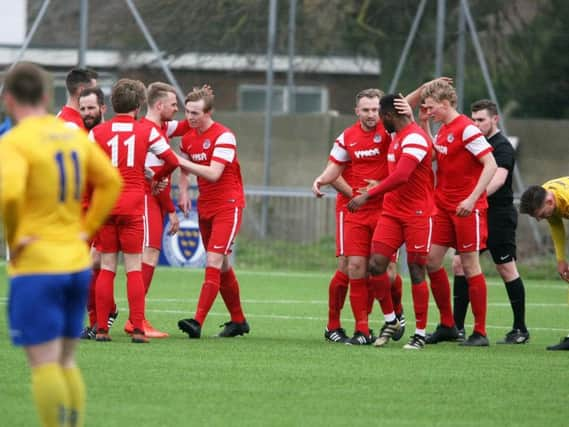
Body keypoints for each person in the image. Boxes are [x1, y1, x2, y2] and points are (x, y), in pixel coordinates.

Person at [1, 62, 121, 427]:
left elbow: (8, 195)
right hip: (75, 261)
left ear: (8, 100)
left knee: (44, 365)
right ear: (45, 96)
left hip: (38, 264)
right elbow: (111, 182)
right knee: (67, 361)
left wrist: (15, 236)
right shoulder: (71, 135)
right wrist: (86, 230)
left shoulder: (15, 141)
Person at [89, 78, 181, 343]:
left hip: (107, 204)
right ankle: (138, 328)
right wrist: (157, 176)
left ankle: (102, 329)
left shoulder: (98, 132)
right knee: (133, 268)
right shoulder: (146, 131)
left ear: (112, 104)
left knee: (107, 267)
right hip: (133, 205)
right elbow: (172, 160)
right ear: (140, 104)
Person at [312, 88, 401, 345]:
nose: (371, 114)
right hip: (352, 207)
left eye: (375, 110)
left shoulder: (392, 131)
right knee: (350, 267)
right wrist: (354, 195)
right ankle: (343, 325)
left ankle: (394, 315)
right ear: (357, 111)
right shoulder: (347, 138)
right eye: (366, 110)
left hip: (385, 208)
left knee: (388, 271)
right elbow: (333, 172)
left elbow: (404, 105)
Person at [348, 94, 435, 349]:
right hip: (392, 212)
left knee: (417, 270)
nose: (377, 122)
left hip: (417, 214)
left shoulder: (416, 139)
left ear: (388, 116)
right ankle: (392, 320)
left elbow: (402, 176)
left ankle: (419, 333)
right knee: (376, 265)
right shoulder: (397, 137)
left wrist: (368, 195)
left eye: (380, 116)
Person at [421, 80, 497, 346]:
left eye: (431, 108)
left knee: (469, 264)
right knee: (431, 261)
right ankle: (448, 324)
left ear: (445, 104)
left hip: (467, 209)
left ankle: (480, 332)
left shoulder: (467, 129)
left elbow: (491, 164)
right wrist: (425, 124)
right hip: (443, 206)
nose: (428, 111)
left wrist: (472, 198)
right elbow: (432, 155)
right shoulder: (443, 129)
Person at [451, 99, 529, 344]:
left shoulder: (502, 146)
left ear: (495, 119)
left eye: (481, 119)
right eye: (473, 119)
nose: (476, 124)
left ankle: (519, 330)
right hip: (475, 213)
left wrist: (472, 197)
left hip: (498, 216)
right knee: (459, 264)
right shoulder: (473, 142)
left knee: (506, 269)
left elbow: (497, 179)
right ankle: (457, 327)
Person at [177, 85, 249, 339]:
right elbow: (185, 170)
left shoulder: (224, 136)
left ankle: (197, 322)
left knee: (213, 261)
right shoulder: (187, 137)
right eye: (187, 112)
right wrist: (183, 191)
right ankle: (239, 320)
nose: (190, 117)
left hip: (228, 205)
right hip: (205, 206)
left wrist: (178, 160)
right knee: (222, 265)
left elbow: (213, 173)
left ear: (209, 113)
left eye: (195, 112)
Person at [122, 82, 190, 338]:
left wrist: (201, 101)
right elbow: (155, 182)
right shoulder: (148, 133)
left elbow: (190, 124)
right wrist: (171, 210)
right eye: (174, 105)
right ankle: (135, 320)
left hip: (150, 200)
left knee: (138, 256)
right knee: (147, 255)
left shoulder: (161, 127)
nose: (178, 109)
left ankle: (126, 315)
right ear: (159, 105)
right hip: (146, 199)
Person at [77, 86, 120, 340]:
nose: (87, 112)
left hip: (103, 212)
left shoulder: (108, 136)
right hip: (79, 212)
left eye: (91, 107)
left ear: (103, 108)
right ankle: (105, 314)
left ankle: (98, 322)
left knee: (94, 265)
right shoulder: (81, 136)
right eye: (83, 108)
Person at [520, 178, 569, 350]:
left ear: (549, 202)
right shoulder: (547, 194)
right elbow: (557, 226)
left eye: (540, 215)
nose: (540, 220)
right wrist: (561, 260)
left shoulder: (566, 198)